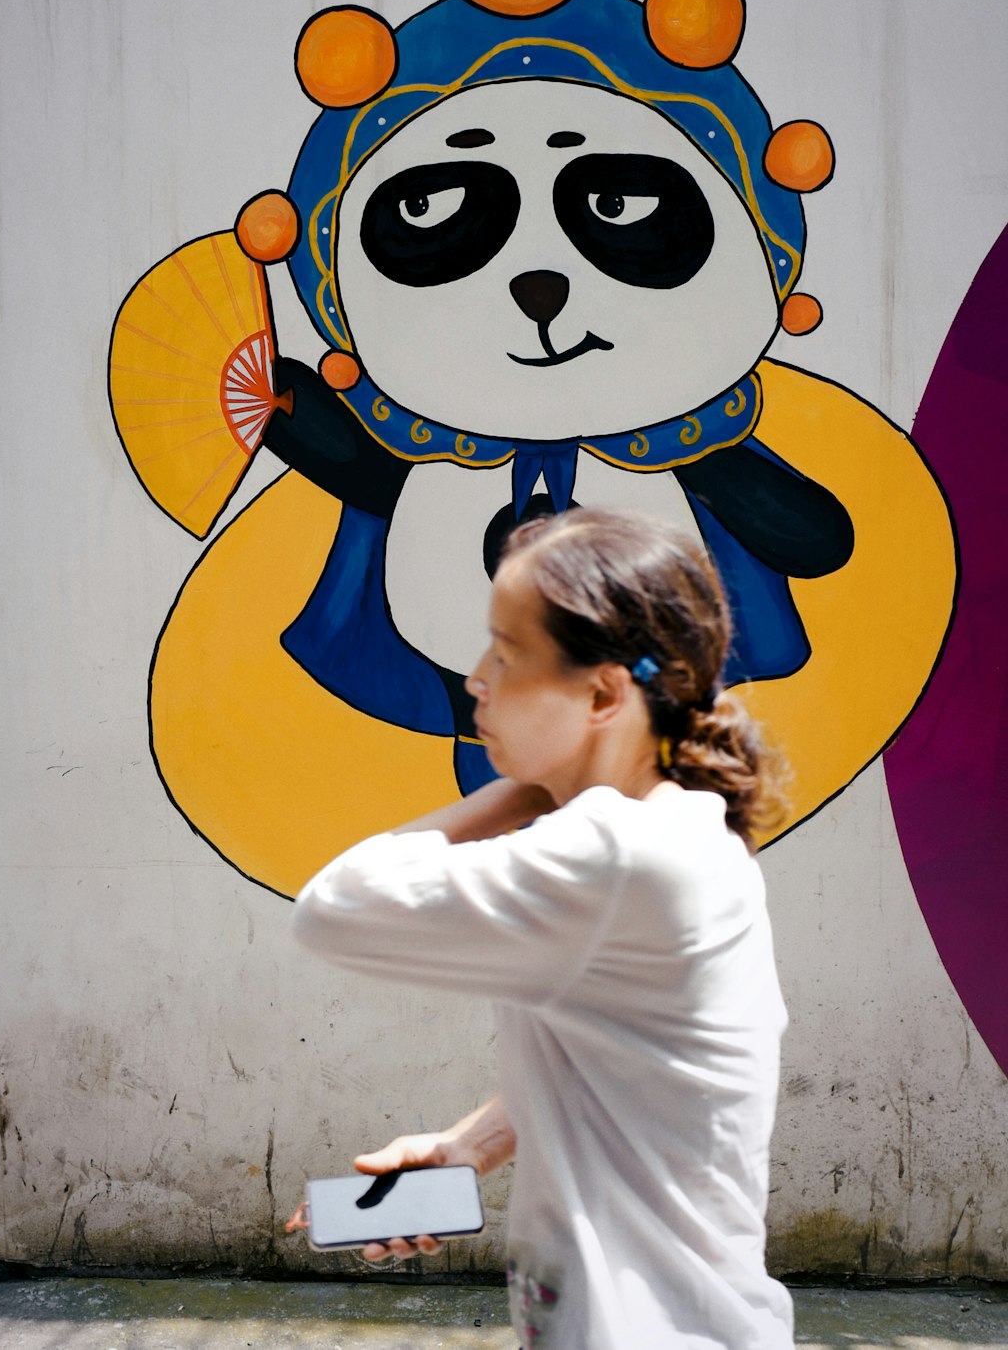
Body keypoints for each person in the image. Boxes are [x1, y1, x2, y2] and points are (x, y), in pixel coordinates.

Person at [290, 508, 794, 1350]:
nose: (477, 679)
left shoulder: (611, 854)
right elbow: (621, 1058)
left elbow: (335, 905)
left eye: (506, 653)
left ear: (601, 694)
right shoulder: (674, 833)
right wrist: (469, 1147)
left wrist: (517, 791)